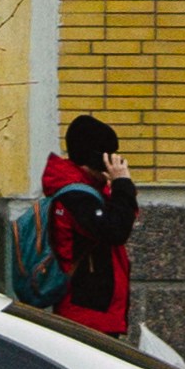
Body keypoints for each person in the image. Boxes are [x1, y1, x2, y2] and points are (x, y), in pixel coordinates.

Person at [38, 109, 140, 347]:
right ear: (97, 159)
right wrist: (122, 183)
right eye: (110, 156)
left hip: (95, 314)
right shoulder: (76, 196)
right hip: (86, 314)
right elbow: (116, 231)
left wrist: (119, 191)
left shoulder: (88, 191)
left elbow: (122, 218)